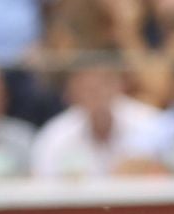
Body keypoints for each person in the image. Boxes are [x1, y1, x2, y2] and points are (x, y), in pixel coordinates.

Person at [30, 50, 160, 177]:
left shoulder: (150, 122)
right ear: (71, 92)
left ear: (120, 85)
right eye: (87, 87)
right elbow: (42, 183)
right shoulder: (55, 134)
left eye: (104, 83)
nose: (96, 92)